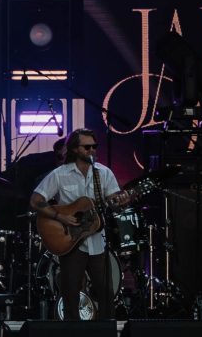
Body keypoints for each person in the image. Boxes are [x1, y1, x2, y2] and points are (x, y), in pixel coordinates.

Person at [28, 131, 128, 323]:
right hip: (71, 240)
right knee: (71, 292)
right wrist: (61, 217)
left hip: (97, 242)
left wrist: (122, 201)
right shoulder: (60, 174)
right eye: (87, 147)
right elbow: (36, 200)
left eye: (94, 146)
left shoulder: (103, 173)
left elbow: (114, 203)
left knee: (106, 292)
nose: (92, 150)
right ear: (74, 149)